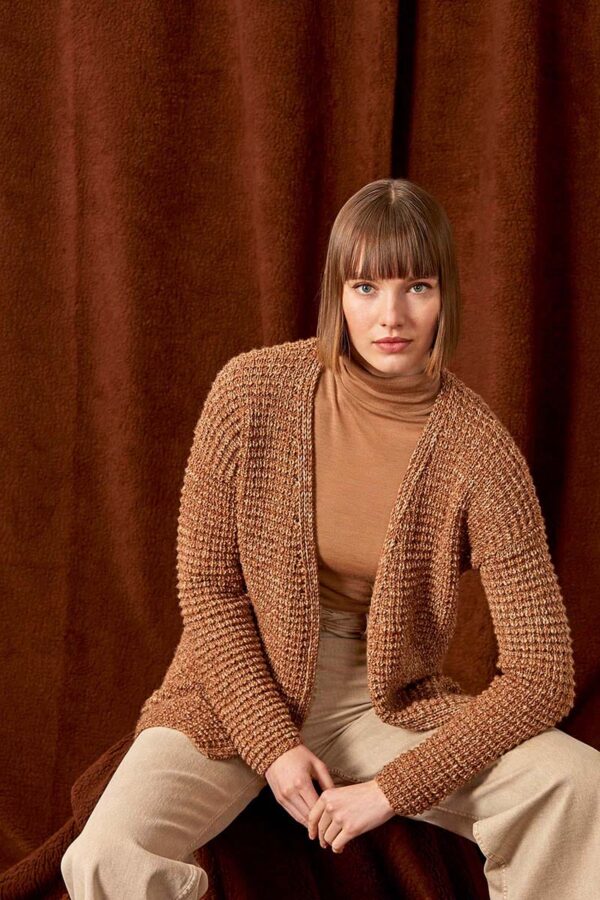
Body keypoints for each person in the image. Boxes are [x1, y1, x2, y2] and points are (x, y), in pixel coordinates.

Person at [61, 178, 600, 899]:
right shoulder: (251, 392)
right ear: (337, 295)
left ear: (446, 296)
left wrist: (392, 789)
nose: (391, 315)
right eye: (366, 287)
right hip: (235, 680)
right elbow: (210, 591)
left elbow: (544, 671)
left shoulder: (480, 450)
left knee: (578, 782)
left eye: (417, 287)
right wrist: (273, 745)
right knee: (105, 853)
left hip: (381, 699)